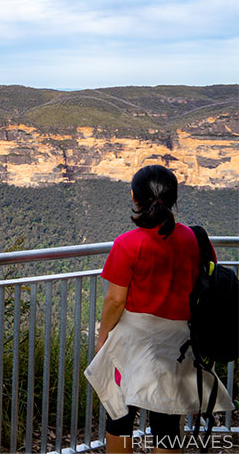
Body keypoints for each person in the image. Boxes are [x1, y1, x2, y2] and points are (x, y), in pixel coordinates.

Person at [84, 165, 231, 453]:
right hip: (179, 340)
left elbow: (115, 301)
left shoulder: (128, 244)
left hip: (132, 341)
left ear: (134, 197)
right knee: (166, 419)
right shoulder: (195, 238)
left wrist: (102, 340)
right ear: (174, 198)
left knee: (120, 417)